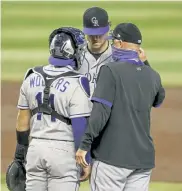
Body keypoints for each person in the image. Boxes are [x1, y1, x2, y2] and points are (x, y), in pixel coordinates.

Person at [76, 23, 165, 191]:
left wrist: (84, 145)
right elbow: (159, 100)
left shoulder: (110, 70)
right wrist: (146, 64)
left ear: (120, 43)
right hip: (142, 161)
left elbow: (100, 113)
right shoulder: (152, 74)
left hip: (111, 158)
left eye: (114, 42)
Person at [6, 27, 92, 191]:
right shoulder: (78, 82)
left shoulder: (31, 76)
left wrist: (19, 157)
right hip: (63, 154)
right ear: (72, 52)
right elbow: (79, 125)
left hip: (35, 151)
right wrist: (85, 159)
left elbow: (22, 121)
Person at [79, 6, 151, 95]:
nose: (96, 38)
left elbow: (150, 86)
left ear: (108, 27)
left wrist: (145, 63)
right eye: (92, 34)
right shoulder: (76, 54)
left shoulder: (121, 56)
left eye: (100, 33)